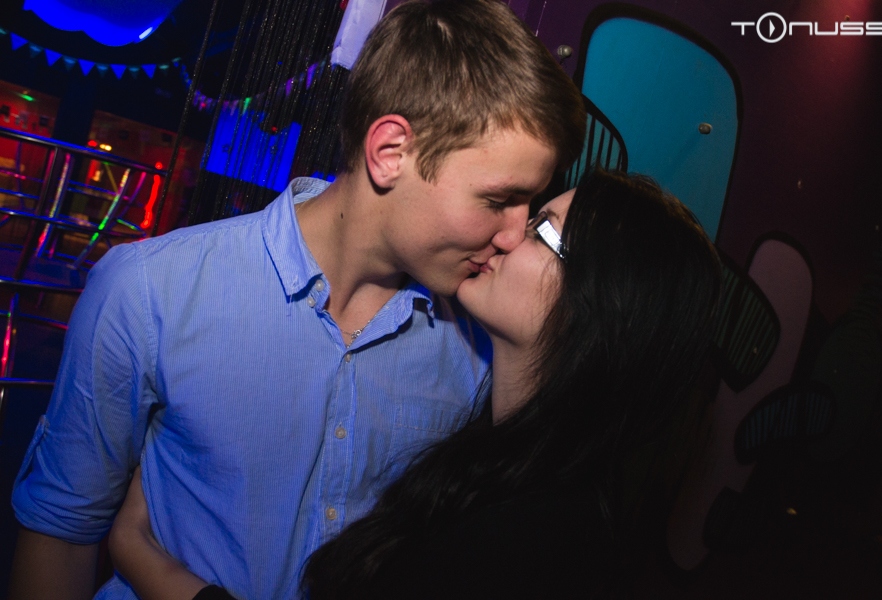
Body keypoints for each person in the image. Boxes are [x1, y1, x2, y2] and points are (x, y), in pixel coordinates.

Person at [8, 1, 585, 598]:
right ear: (390, 154)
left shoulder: (478, 349)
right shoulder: (151, 290)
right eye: (498, 200)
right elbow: (61, 532)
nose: (515, 234)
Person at [107, 168, 723, 599]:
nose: (508, 234)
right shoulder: (495, 455)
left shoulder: (543, 541)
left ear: (600, 308)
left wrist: (143, 557)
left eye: (543, 229)